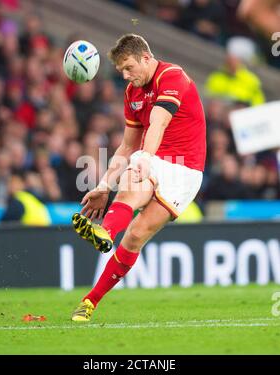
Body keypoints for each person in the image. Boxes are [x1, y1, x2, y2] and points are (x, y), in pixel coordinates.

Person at [71, 34, 206, 322]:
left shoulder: (172, 76)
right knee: (132, 179)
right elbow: (127, 145)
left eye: (129, 67)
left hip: (185, 170)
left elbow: (158, 122)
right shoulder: (132, 93)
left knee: (135, 236)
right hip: (153, 159)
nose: (125, 75)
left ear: (146, 58)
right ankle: (89, 299)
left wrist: (144, 158)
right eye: (121, 71)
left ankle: (106, 233)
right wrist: (104, 185)